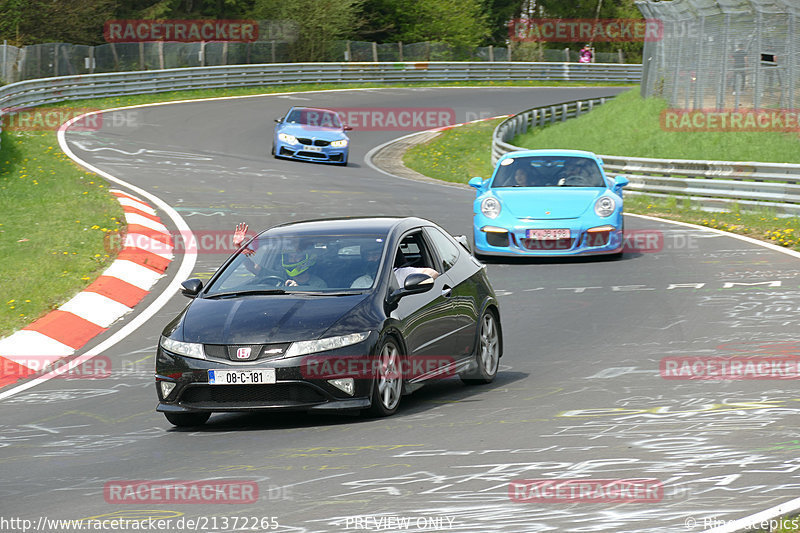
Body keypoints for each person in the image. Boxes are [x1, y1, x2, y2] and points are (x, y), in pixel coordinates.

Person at [232, 223, 326, 288]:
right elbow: (252, 267)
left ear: (308, 259)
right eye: (290, 256)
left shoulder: (318, 284)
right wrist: (238, 247)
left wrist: (297, 289)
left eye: (297, 256)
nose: (292, 260)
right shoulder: (280, 276)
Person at [350, 240, 439, 288]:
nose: (372, 259)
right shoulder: (360, 282)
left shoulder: (401, 273)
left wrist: (416, 283)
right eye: (368, 255)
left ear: (384, 256)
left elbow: (432, 273)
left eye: (375, 254)